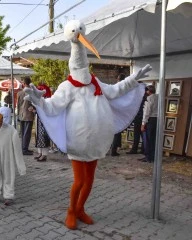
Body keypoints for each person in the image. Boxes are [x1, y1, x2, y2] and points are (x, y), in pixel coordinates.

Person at [24, 20, 151, 229]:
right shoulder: (67, 87)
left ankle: (81, 209)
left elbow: (116, 90)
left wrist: (133, 79)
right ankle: (71, 210)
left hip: (96, 142)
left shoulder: (95, 82)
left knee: (90, 179)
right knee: (79, 180)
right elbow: (52, 107)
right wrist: (39, 100)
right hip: (78, 142)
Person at [34, 83, 52, 162]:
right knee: (38, 136)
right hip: (38, 118)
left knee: (43, 136)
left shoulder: (47, 100)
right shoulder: (40, 100)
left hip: (43, 120)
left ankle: (44, 154)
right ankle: (40, 153)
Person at [17, 77, 35, 155]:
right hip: (28, 114)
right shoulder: (31, 92)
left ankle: (23, 148)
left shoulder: (19, 93)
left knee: (23, 132)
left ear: (23, 84)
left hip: (21, 114)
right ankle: (25, 149)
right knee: (27, 133)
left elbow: (18, 105)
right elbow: (34, 103)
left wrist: (18, 114)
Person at [127, 86, 147, 155]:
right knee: (142, 134)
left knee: (137, 134)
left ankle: (135, 149)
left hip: (139, 117)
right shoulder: (145, 97)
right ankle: (143, 149)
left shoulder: (140, 97)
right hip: (143, 118)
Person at [141, 85, 158, 163]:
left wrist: (143, 124)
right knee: (154, 139)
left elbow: (147, 112)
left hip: (150, 120)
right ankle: (153, 156)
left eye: (146, 91)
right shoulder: (158, 97)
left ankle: (148, 157)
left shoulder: (149, 98)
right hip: (157, 120)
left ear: (148, 91)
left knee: (147, 139)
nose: (145, 92)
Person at [110, 73, 126, 157]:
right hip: (118, 111)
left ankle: (112, 148)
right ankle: (114, 150)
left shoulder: (114, 87)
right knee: (117, 132)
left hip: (112, 111)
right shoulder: (122, 87)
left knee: (113, 132)